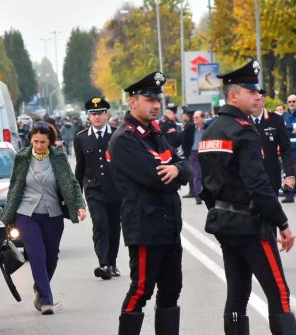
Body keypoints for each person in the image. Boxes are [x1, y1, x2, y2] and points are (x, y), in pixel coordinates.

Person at [198, 60, 296, 335]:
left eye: (258, 92)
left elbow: (204, 184)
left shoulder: (211, 130)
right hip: (250, 223)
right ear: (233, 95)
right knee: (279, 291)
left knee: (238, 292)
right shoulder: (243, 130)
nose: (258, 96)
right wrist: (282, 223)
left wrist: (221, 207)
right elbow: (258, 185)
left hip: (224, 221)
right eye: (251, 91)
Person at [108, 71, 191, 335]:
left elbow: (183, 165)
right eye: (149, 99)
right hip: (145, 226)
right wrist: (175, 172)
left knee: (171, 289)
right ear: (133, 102)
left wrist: (177, 170)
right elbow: (157, 180)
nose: (156, 105)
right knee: (142, 289)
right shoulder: (125, 138)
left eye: (158, 100)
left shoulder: (155, 133)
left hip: (168, 225)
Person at [0, 121, 86, 315]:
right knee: (36, 255)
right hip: (26, 214)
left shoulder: (59, 157)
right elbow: (15, 186)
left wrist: (80, 205)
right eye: (35, 141)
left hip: (53, 213)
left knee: (51, 256)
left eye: (43, 142)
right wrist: (9, 212)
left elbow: (71, 182)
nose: (38, 145)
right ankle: (47, 300)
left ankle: (40, 288)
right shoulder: (22, 158)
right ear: (30, 140)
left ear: (50, 142)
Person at [74, 97, 122, 280]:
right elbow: (80, 168)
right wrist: (77, 197)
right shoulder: (81, 138)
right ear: (88, 116)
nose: (96, 117)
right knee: (100, 225)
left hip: (115, 190)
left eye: (99, 113)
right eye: (92, 114)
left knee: (113, 227)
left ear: (106, 114)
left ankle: (112, 263)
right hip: (94, 190)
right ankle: (103, 264)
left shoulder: (118, 134)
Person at [250, 95, 296, 195]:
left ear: (263, 101)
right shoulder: (241, 121)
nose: (254, 103)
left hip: (271, 174)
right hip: (248, 176)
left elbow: (286, 149)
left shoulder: (276, 120)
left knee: (271, 208)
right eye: (251, 100)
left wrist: (290, 174)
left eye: (257, 99)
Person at [181, 110, 206, 204]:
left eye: (197, 117)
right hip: (193, 154)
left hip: (205, 153)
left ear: (202, 118)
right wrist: (187, 154)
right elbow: (184, 141)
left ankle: (206, 193)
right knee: (197, 174)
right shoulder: (190, 128)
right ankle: (198, 196)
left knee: (206, 175)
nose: (195, 119)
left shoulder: (207, 128)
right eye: (194, 117)